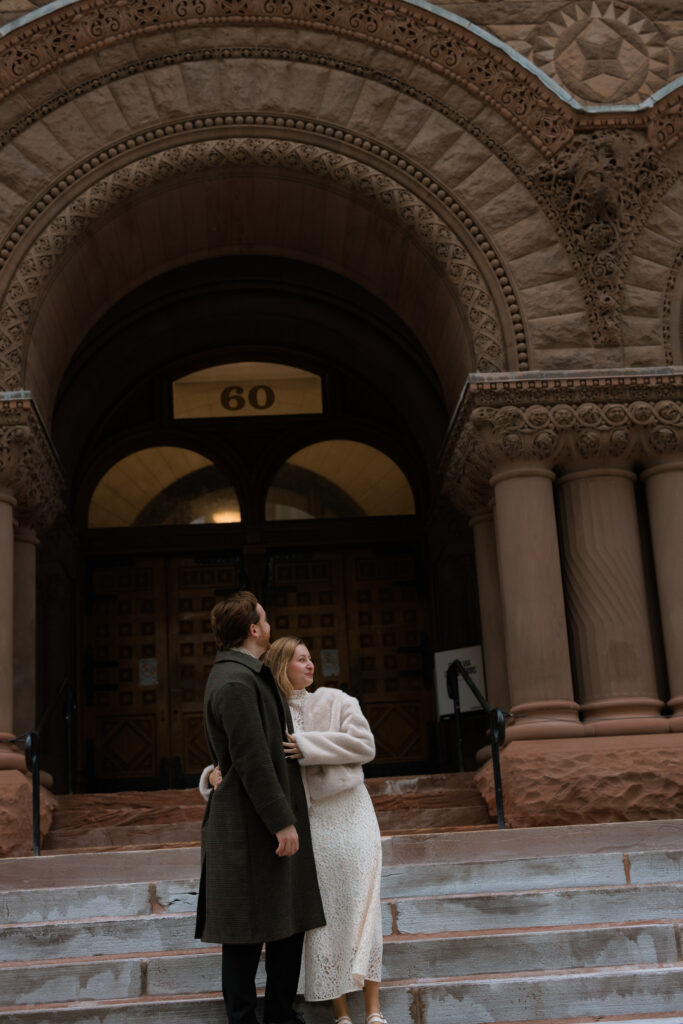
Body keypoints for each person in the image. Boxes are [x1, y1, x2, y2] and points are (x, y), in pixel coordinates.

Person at [202, 636, 387, 1024]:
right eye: (300, 659)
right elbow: (244, 755)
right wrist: (212, 776)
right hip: (300, 823)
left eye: (311, 659)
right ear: (281, 665)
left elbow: (365, 745)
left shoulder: (336, 700)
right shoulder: (264, 702)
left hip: (348, 815)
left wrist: (307, 745)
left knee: (356, 907)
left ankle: (366, 1010)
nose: (310, 665)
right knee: (313, 916)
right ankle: (330, 1010)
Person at [194, 594, 325, 1024]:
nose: (269, 624)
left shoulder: (251, 674)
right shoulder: (235, 681)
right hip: (248, 827)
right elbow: (250, 759)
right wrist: (281, 821)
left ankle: (282, 1016)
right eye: (264, 619)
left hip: (261, 822)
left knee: (288, 923)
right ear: (253, 629)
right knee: (245, 935)